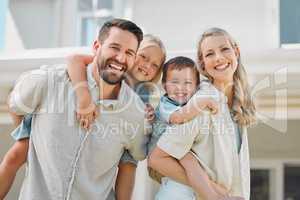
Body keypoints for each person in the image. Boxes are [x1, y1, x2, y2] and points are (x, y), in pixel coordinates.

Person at [0, 34, 166, 200]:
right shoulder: (108, 64)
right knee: (17, 154)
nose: (146, 65)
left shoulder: (145, 92)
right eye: (143, 57)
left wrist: (149, 116)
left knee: (129, 165)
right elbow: (74, 59)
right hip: (62, 115)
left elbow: (145, 118)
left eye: (154, 65)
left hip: (118, 135)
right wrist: (84, 96)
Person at [148, 28, 256, 200]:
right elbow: (157, 159)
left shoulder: (236, 105)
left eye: (224, 49)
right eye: (210, 54)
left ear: (236, 51)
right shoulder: (201, 103)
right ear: (202, 63)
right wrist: (216, 192)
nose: (219, 57)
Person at [147, 56, 226, 200]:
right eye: (174, 82)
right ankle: (213, 195)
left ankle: (215, 192)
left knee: (192, 164)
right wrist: (203, 102)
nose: (180, 88)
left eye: (187, 83)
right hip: (160, 148)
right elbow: (179, 117)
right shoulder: (166, 103)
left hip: (174, 148)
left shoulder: (189, 101)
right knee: (189, 161)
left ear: (196, 87)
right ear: (164, 85)